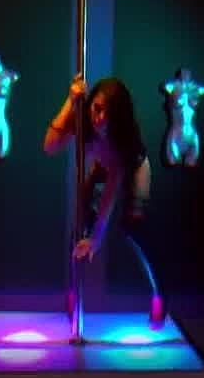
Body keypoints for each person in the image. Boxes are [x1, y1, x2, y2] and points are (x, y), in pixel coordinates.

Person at [44, 74, 165, 327]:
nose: (100, 119)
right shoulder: (83, 119)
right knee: (80, 224)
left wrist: (97, 237)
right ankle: (73, 292)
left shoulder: (122, 139)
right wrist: (71, 101)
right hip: (103, 165)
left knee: (133, 228)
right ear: (90, 103)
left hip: (133, 167)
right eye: (97, 109)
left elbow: (111, 189)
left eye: (109, 115)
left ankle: (158, 295)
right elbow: (50, 146)